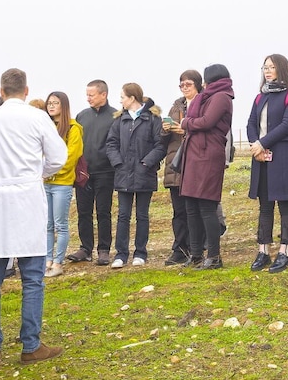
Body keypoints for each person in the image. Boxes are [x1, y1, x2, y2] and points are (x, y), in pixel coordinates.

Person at [0, 68, 68, 366]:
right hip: (26, 199)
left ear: (1, 91)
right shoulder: (37, 117)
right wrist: (34, 174)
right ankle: (30, 344)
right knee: (32, 278)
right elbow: (57, 157)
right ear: (26, 91)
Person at [247, 54, 288, 273]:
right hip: (261, 156)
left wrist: (262, 143)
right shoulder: (259, 98)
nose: (267, 71)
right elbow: (251, 122)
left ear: (281, 69)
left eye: (271, 67)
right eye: (265, 67)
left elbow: (287, 124)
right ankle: (263, 250)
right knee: (265, 205)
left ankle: (285, 251)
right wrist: (256, 146)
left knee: (286, 204)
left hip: (283, 155)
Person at [177, 64, 234, 270]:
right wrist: (190, 121)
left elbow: (207, 122)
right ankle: (196, 254)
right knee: (191, 206)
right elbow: (197, 120)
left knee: (207, 207)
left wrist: (185, 123)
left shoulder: (221, 96)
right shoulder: (207, 96)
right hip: (194, 155)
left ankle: (214, 256)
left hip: (208, 155)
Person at [106, 83, 167, 268]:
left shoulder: (153, 119)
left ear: (132, 98)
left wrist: (146, 163)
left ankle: (140, 253)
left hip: (144, 174)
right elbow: (111, 144)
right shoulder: (119, 119)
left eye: (123, 97)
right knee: (123, 215)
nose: (120, 101)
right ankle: (121, 254)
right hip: (123, 174)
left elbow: (160, 145)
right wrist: (118, 163)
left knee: (142, 215)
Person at [67, 80, 117, 266]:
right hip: (84, 173)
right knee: (83, 212)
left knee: (103, 212)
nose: (88, 98)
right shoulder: (82, 116)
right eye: (87, 94)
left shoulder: (115, 116)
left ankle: (104, 250)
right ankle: (85, 248)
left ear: (103, 94)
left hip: (106, 171)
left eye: (92, 94)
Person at [161, 70, 203, 266]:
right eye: (182, 85)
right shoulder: (176, 105)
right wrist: (165, 129)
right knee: (179, 211)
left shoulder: (204, 104)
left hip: (195, 162)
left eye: (188, 84)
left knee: (195, 209)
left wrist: (186, 129)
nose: (185, 88)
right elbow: (162, 139)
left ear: (198, 85)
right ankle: (179, 248)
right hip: (175, 163)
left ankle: (197, 246)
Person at [43, 91, 83, 277]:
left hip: (62, 183)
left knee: (61, 224)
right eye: (49, 103)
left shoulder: (74, 128)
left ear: (63, 106)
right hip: (45, 182)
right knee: (47, 224)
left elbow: (71, 157)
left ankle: (58, 263)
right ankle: (47, 260)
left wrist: (50, 170)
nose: (51, 106)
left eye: (55, 103)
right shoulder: (46, 126)